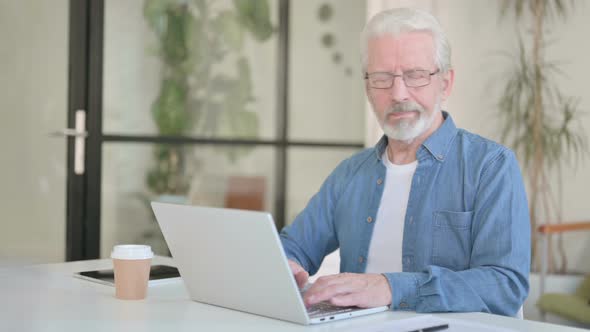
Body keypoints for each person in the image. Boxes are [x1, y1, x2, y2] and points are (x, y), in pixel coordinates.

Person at [279, 8, 530, 316]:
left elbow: (505, 285)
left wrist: (389, 287)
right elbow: (293, 248)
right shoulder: (349, 174)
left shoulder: (490, 166)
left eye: (416, 75)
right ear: (368, 89)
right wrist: (283, 267)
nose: (398, 94)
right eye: (382, 78)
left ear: (445, 84)